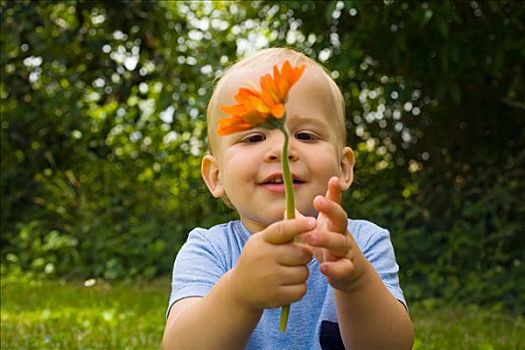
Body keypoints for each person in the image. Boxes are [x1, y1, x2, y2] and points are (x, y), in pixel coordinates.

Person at [162, 48, 414, 350]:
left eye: (306, 136)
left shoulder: (361, 244)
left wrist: (355, 281)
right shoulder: (210, 251)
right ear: (216, 177)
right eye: (254, 137)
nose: (282, 148)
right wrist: (239, 293)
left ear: (344, 168)